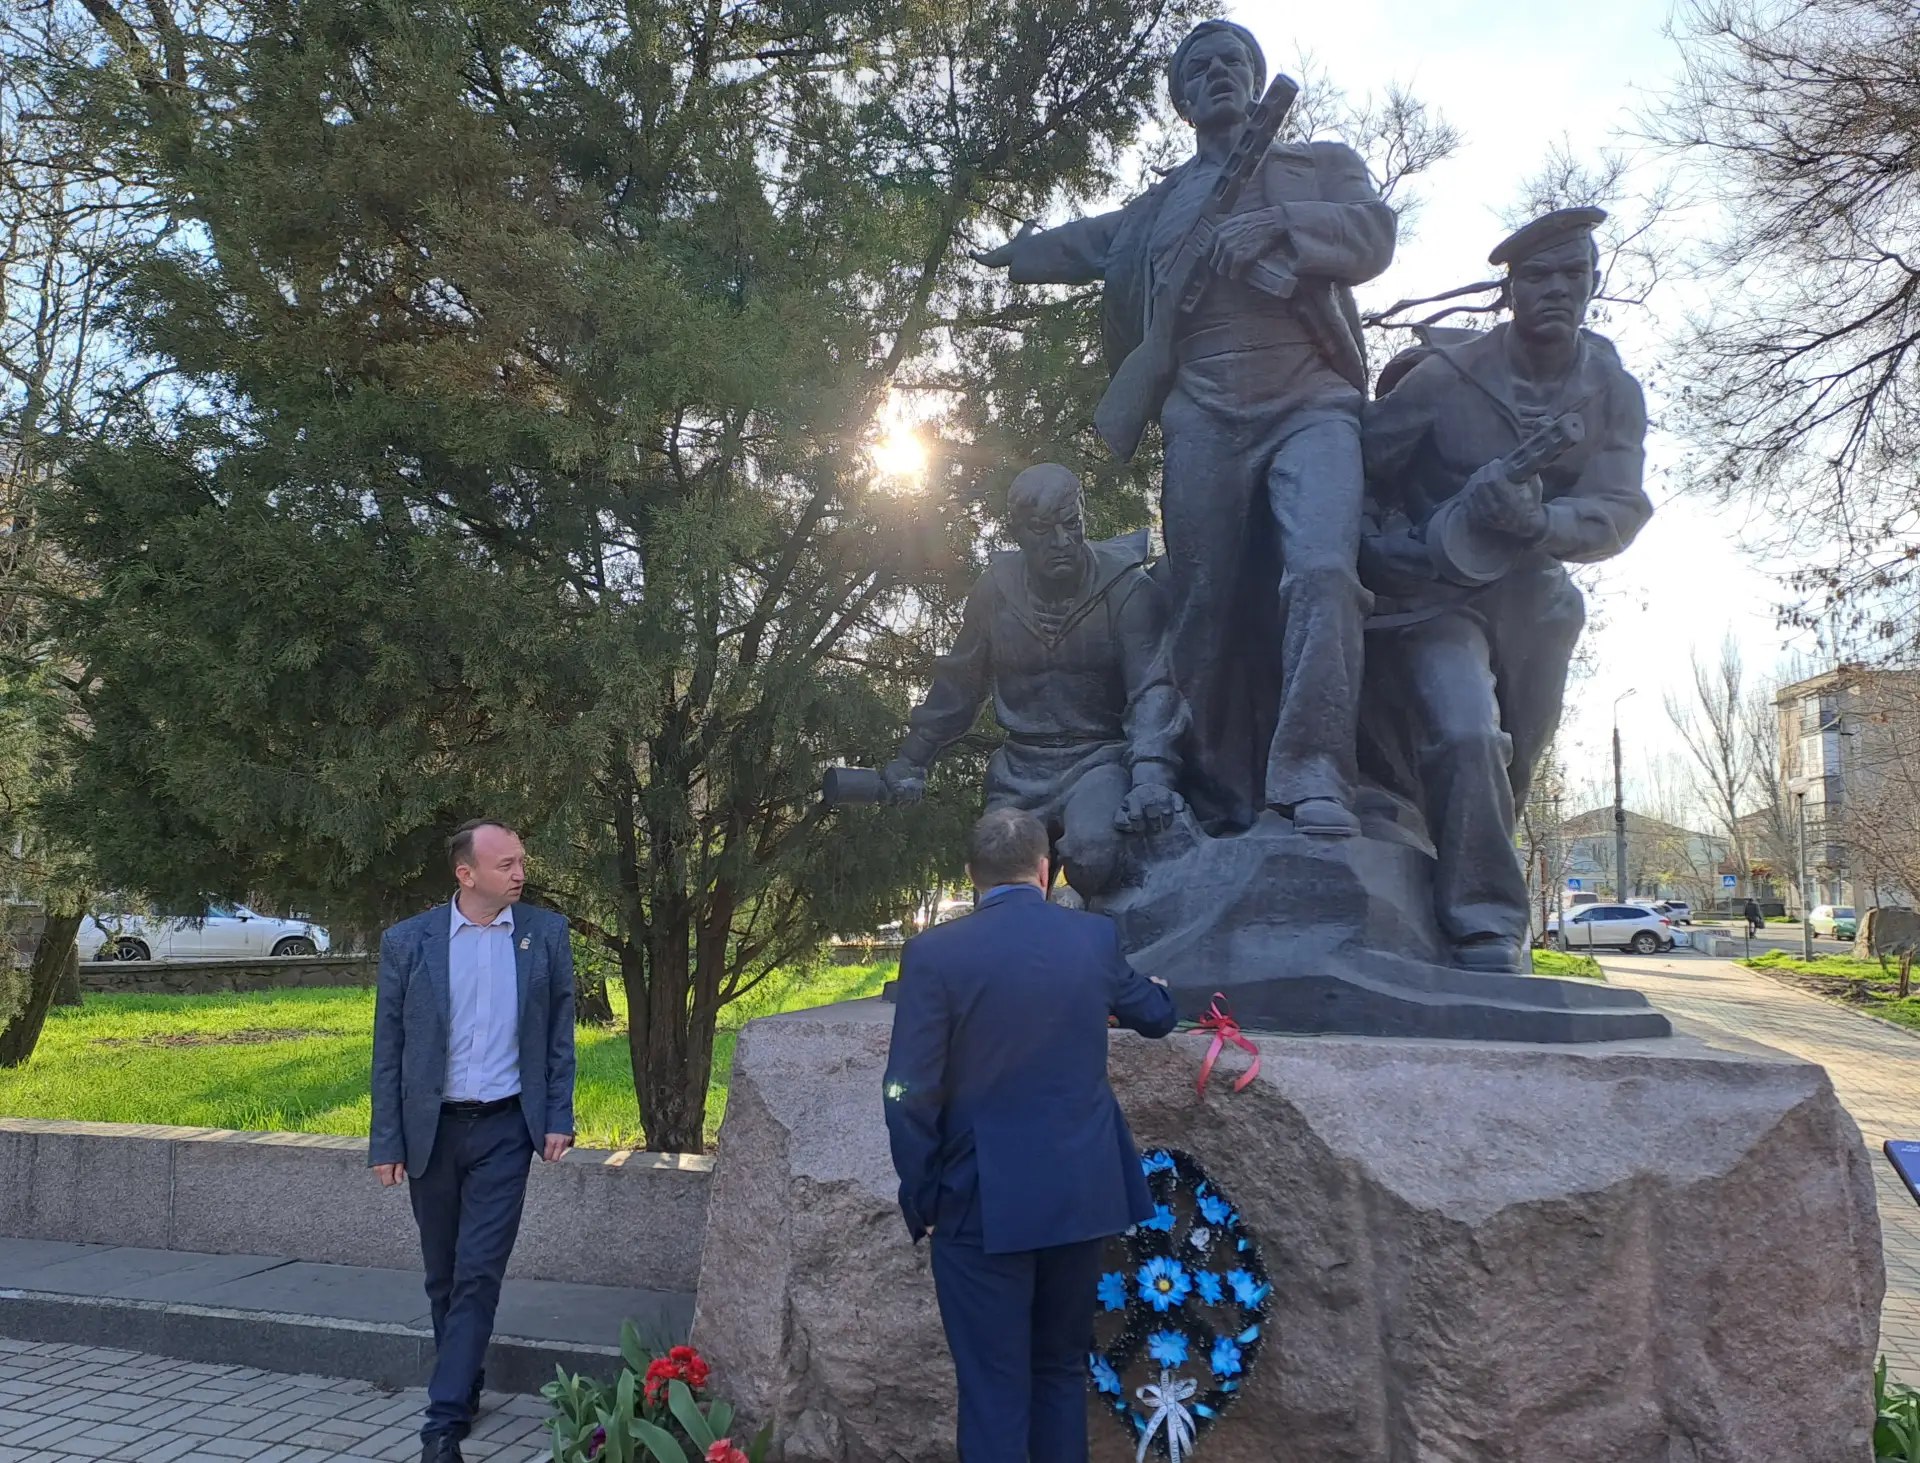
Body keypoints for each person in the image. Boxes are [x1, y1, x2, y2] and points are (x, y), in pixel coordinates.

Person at [973, 21, 1395, 835]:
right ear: (1180, 98)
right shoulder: (1158, 208)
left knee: (1319, 574)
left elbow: (1373, 233)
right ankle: (1207, 784)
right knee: (1198, 601)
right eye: (1198, 67)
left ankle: (1314, 774)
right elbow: (1091, 242)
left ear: (1255, 75)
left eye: (1234, 61)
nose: (1219, 75)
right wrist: (1016, 255)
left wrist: (1281, 233)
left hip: (1310, 400)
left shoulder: (1320, 166)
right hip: (1201, 411)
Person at [1359, 208, 1652, 972]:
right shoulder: (1443, 378)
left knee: (1515, 758)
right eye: (1538, 277)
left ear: (1594, 283)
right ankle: (1485, 927)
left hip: (1536, 602)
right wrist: (1379, 547)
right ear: (1509, 289)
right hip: (1435, 595)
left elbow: (1622, 507)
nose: (1557, 290)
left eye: (1574, 275)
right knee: (1466, 733)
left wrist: (1542, 521)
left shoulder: (1611, 390)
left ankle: (1456, 873)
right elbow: (1358, 467)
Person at [882, 808, 1178, 1462]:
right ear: (1046, 871)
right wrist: (1155, 992)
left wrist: (924, 1193)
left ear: (972, 875)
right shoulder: (1092, 940)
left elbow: (905, 1091)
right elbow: (1155, 1014)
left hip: (979, 1202)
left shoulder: (935, 955)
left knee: (994, 1387)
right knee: (1059, 1372)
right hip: (1079, 1195)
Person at [369, 820, 577, 1463]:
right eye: (507, 864)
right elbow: (390, 1047)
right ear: (467, 874)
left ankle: (443, 1419)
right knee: (443, 1276)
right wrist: (386, 1141)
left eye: (522, 862)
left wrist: (557, 1115)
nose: (520, 873)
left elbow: (559, 1031)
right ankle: (464, 1379)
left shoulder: (544, 935)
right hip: (432, 1130)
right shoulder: (409, 942)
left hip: (504, 1130)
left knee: (479, 1271)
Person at [881, 463, 1189, 897]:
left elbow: (1154, 688)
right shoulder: (994, 592)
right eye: (1043, 530)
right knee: (998, 880)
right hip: (1020, 768)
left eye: (1072, 524)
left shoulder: (1127, 589)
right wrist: (913, 758)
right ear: (1019, 533)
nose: (1062, 542)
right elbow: (959, 685)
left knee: (1094, 856)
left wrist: (1152, 777)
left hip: (1099, 761)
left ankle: (1094, 946)